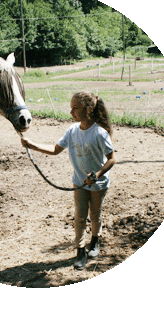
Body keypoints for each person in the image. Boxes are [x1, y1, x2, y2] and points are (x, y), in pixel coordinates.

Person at [21, 91, 116, 270]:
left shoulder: (100, 133)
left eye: (75, 109)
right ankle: (80, 251)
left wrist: (97, 174)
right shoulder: (72, 131)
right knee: (80, 216)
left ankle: (95, 243)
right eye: (71, 108)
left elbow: (111, 159)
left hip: (98, 184)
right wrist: (32, 145)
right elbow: (56, 150)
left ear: (88, 109)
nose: (71, 112)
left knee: (95, 215)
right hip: (79, 181)